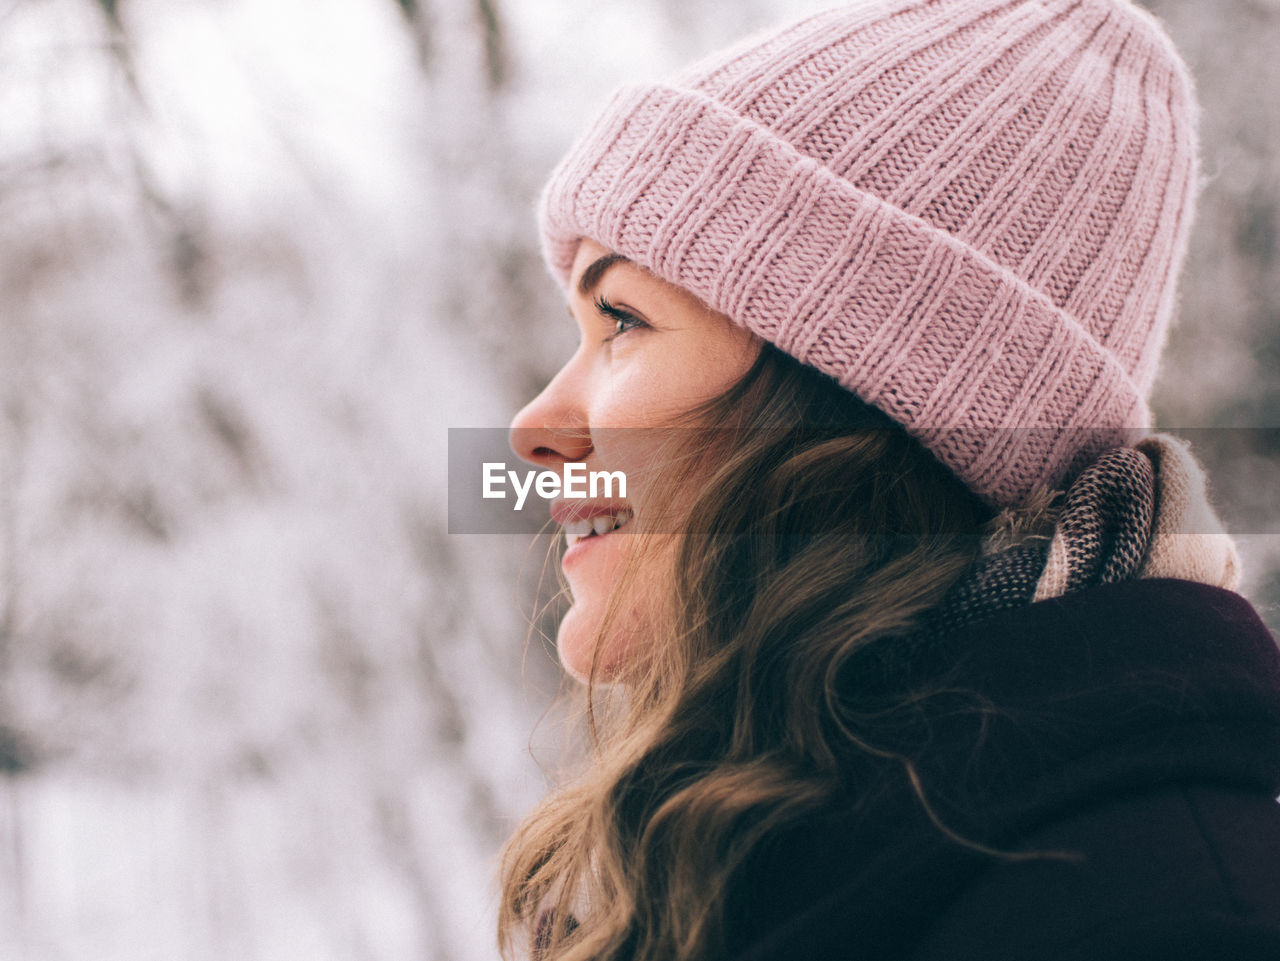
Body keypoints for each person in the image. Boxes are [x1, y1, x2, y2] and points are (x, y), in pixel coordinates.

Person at [501, 0, 1280, 958]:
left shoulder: (1178, 918)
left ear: (852, 402)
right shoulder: (740, 850)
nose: (533, 426)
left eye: (622, 319)